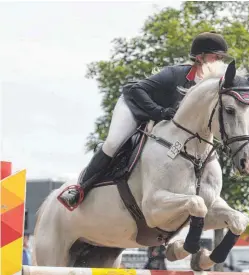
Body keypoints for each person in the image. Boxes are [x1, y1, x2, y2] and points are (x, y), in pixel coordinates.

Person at [58, 31, 231, 210]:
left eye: (221, 58)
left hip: (164, 119)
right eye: (215, 56)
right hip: (135, 105)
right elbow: (137, 90)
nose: (219, 61)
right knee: (113, 143)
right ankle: (79, 190)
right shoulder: (175, 74)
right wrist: (158, 111)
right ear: (199, 57)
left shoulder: (213, 85)